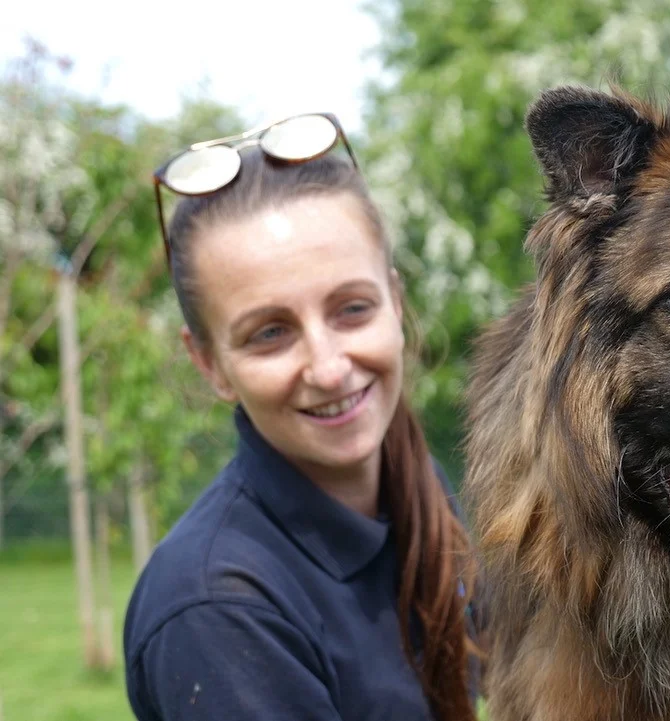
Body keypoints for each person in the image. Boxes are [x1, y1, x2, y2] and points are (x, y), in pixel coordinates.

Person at [123, 113, 483, 721]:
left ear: (395, 303)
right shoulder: (217, 610)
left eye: (351, 309)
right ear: (209, 364)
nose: (328, 367)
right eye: (269, 333)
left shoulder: (416, 490)